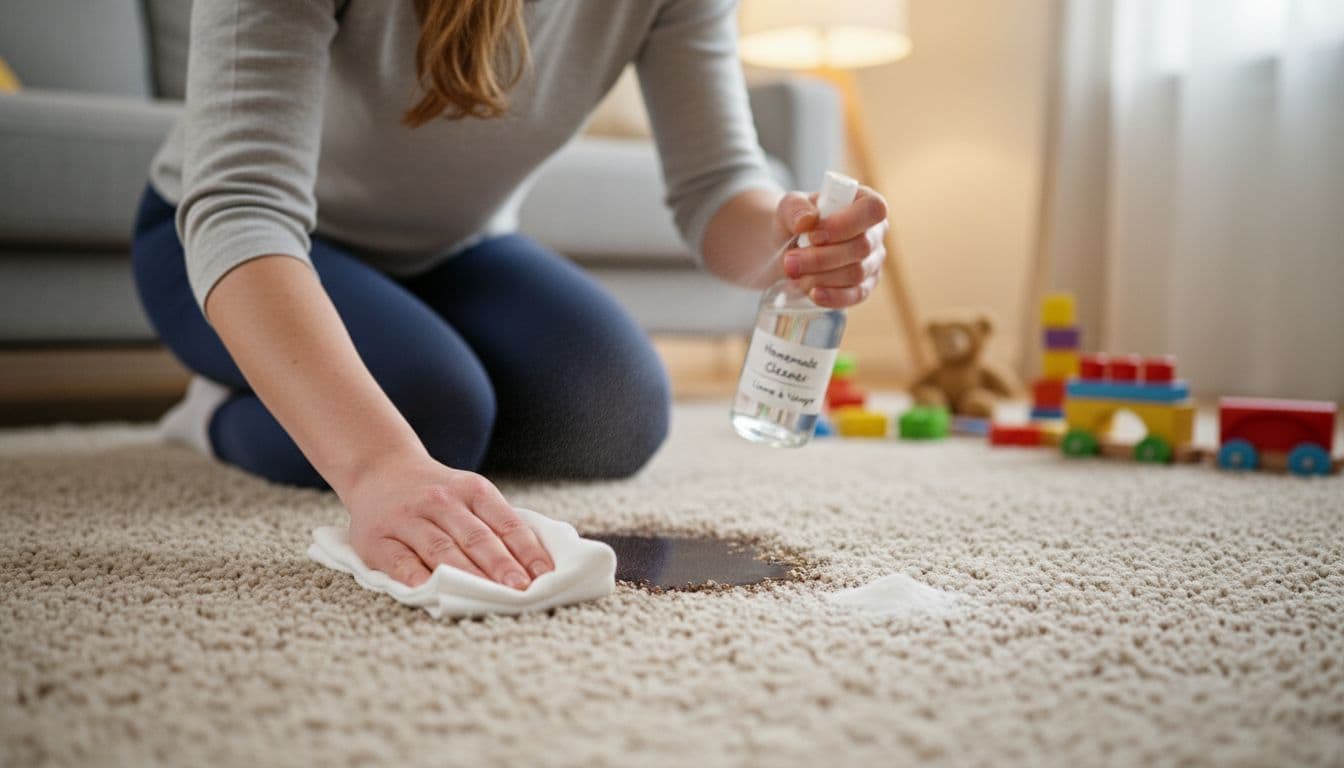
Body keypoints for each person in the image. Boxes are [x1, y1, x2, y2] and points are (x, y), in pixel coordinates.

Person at [132, 0, 889, 592]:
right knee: (432, 416)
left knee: (614, 414)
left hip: (452, 247)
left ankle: (357, 366)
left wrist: (794, 240)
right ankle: (213, 414)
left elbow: (717, 189)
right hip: (228, 243)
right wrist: (378, 468)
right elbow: (242, 208)